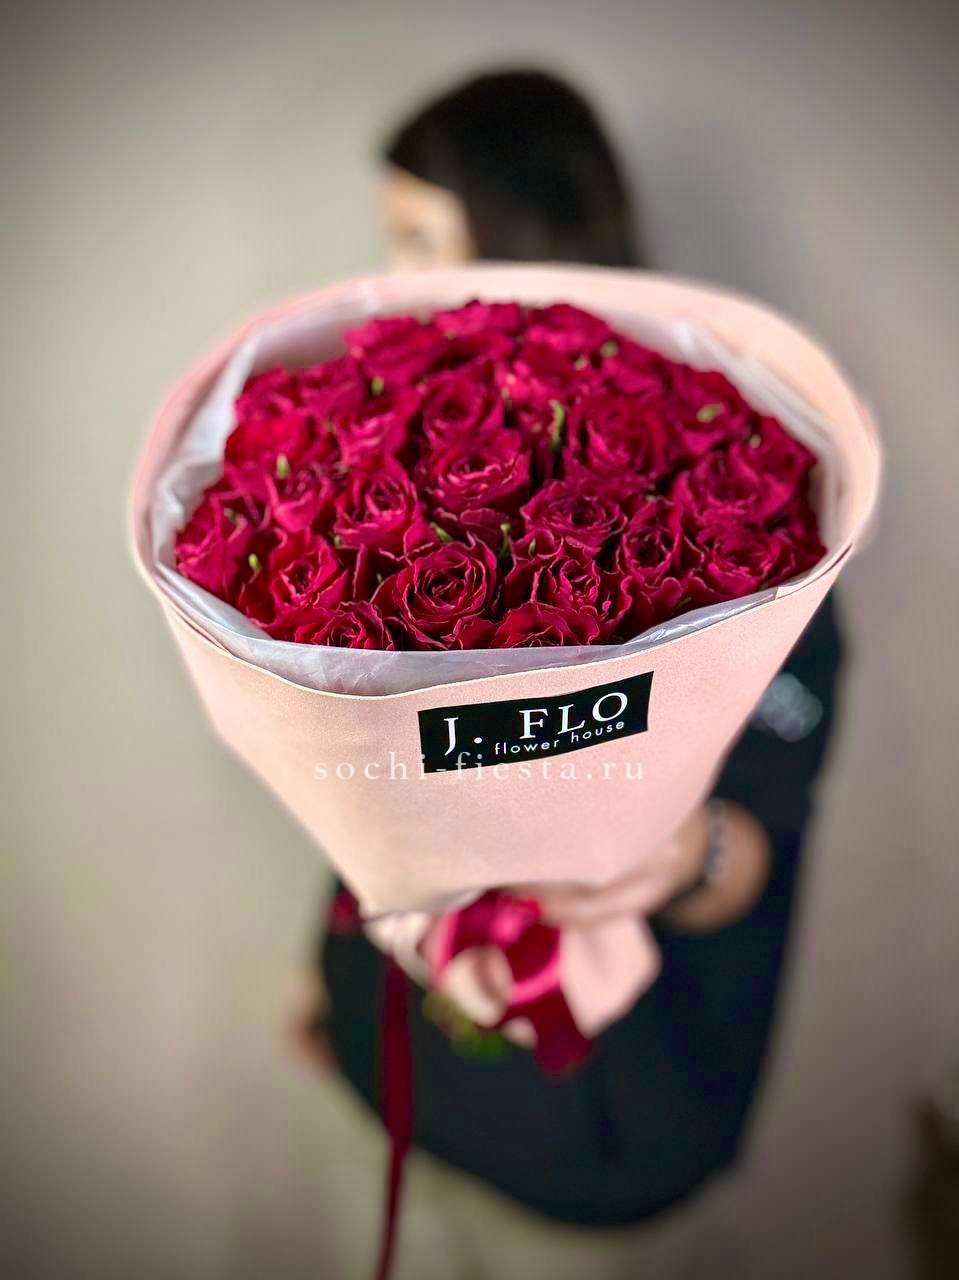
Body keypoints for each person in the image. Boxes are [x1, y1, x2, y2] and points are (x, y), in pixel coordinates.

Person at [296, 69, 844, 1278]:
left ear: (528, 229)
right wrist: (338, 975)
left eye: (417, 239)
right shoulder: (393, 460)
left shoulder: (741, 488)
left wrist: (680, 848)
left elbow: (764, 824)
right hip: (394, 1062)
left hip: (598, 1124)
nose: (386, 277)